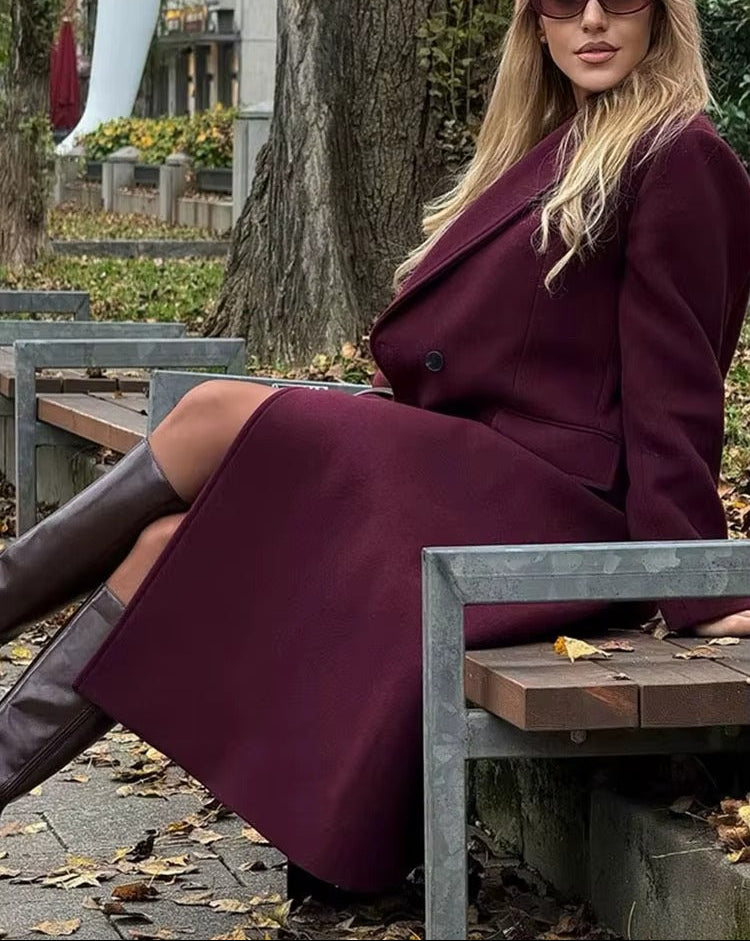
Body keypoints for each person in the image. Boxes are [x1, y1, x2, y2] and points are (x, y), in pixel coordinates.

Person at [1, 0, 750, 895]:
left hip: (550, 502)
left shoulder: (681, 155)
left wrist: (697, 580)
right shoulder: (552, 144)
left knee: (209, 413)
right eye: (563, 2)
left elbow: (677, 388)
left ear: (663, 16)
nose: (591, 20)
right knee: (165, 544)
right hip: (466, 472)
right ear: (534, 24)